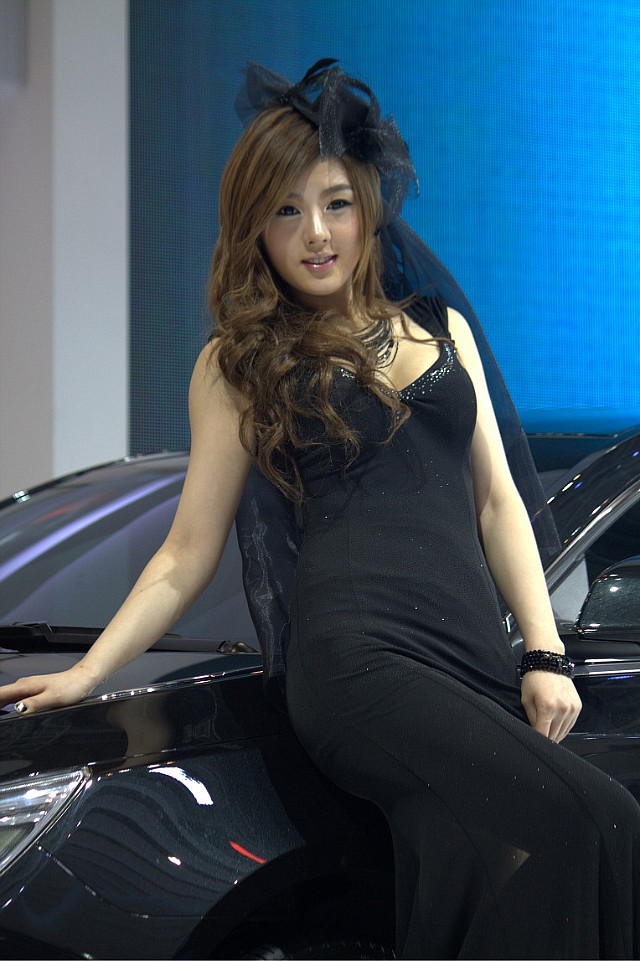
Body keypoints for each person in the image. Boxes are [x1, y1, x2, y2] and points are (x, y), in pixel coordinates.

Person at [1, 59, 639, 959]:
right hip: (357, 663)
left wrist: (543, 652)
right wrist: (87, 672)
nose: (315, 233)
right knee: (601, 818)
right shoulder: (238, 362)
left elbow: (498, 503)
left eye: (335, 203)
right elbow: (185, 552)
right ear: (254, 230)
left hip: (470, 656)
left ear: (369, 206)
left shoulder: (442, 330)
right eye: (285, 210)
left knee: (473, 886)